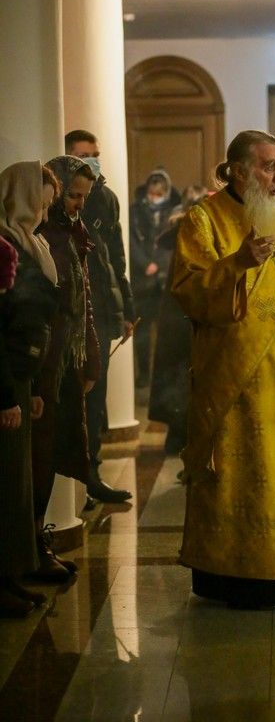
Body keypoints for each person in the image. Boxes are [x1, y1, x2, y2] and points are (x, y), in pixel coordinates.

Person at [172, 130, 275, 608]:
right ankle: (239, 576)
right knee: (244, 475)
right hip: (234, 377)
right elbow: (189, 291)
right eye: (268, 166)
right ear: (240, 171)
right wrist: (238, 263)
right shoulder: (203, 221)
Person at [31, 156, 100, 582]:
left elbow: (83, 296)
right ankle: (33, 545)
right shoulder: (41, 234)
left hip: (64, 357)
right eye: (73, 195)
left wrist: (90, 351)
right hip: (44, 360)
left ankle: (38, 541)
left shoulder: (74, 231)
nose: (78, 204)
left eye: (83, 197)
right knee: (39, 453)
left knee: (54, 446)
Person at [0, 162, 59, 615]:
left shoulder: (31, 242)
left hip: (22, 374)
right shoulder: (6, 245)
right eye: (42, 202)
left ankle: (14, 573)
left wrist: (34, 384)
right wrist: (6, 393)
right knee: (6, 482)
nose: (45, 212)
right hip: (6, 375)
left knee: (18, 481)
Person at [65, 129, 134, 504]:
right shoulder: (63, 197)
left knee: (96, 401)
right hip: (74, 312)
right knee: (73, 402)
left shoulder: (105, 197)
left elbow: (115, 258)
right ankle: (74, 484)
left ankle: (92, 475)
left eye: (95, 153)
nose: (92, 160)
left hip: (103, 310)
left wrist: (127, 308)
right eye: (83, 154)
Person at [148, 185, 209, 454]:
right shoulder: (192, 232)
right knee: (184, 377)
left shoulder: (183, 229)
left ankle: (178, 435)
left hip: (178, 315)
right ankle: (181, 435)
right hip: (187, 314)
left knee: (179, 376)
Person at [130, 169, 178, 388]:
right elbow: (131, 241)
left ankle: (164, 376)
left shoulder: (174, 212)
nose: (154, 198)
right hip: (142, 282)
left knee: (167, 331)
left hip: (165, 278)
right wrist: (144, 263)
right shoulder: (135, 212)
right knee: (142, 331)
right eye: (151, 193)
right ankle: (144, 375)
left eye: (158, 194)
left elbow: (171, 242)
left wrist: (158, 263)